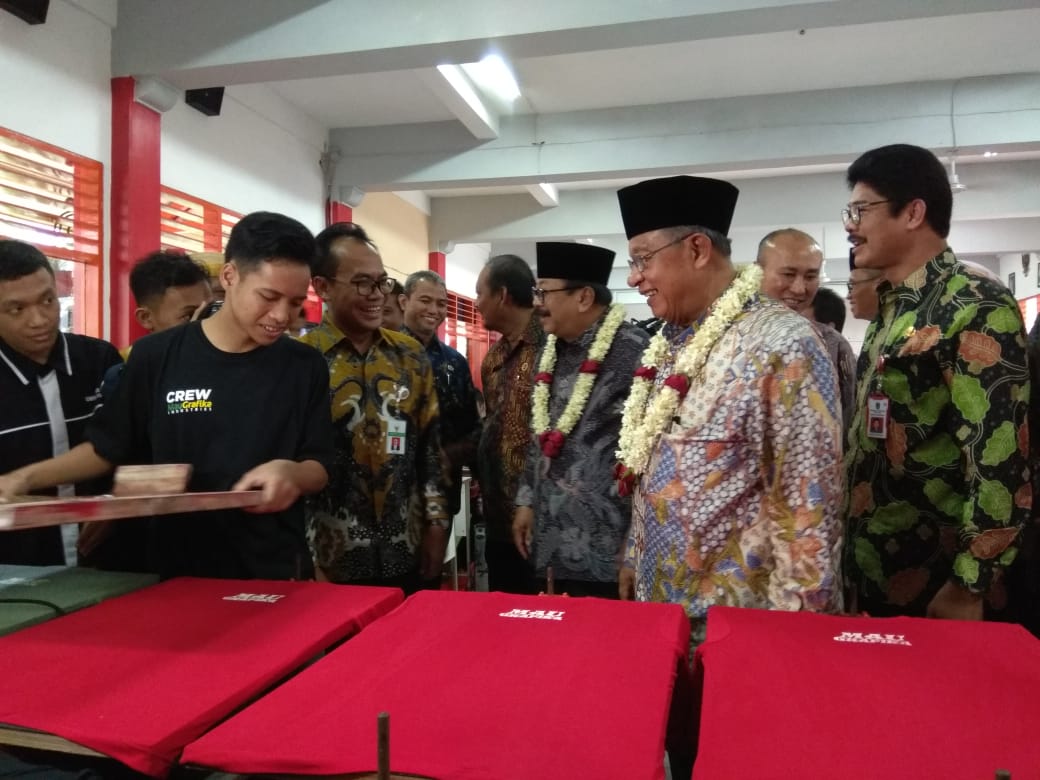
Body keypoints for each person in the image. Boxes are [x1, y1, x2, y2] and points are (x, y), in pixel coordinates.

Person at [0, 212, 334, 580]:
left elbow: (319, 464)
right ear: (229, 276)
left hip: (272, 566)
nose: (281, 315)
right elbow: (107, 447)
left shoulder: (304, 365)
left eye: (295, 302)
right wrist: (23, 479)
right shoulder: (156, 357)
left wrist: (293, 474)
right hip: (174, 569)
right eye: (269, 297)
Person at [614, 175, 843, 637]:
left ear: (697, 250)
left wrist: (794, 643)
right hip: (663, 619)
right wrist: (635, 555)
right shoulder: (668, 342)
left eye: (642, 259)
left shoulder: (782, 345)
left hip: (740, 634)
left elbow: (808, 513)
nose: (633, 277)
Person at [843, 143, 1030, 620]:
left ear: (913, 213)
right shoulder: (893, 307)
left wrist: (970, 584)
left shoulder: (975, 305)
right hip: (876, 567)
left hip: (937, 580)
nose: (851, 225)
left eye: (861, 209)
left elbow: (999, 456)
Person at [302, 222, 449, 591]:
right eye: (362, 283)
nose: (377, 295)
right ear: (322, 287)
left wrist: (436, 525)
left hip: (407, 550)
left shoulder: (409, 355)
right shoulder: (301, 361)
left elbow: (429, 451)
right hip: (330, 559)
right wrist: (303, 556)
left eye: (381, 282)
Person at [512, 242, 649, 596]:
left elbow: (649, 456)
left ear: (584, 297)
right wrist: (526, 500)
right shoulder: (549, 350)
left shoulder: (636, 351)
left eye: (544, 292)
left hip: (607, 550)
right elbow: (537, 433)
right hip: (548, 540)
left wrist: (635, 541)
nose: (537, 302)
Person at [86, 250, 213, 569]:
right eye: (188, 316)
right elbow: (115, 451)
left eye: (210, 310)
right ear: (146, 318)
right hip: (148, 537)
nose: (205, 325)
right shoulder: (125, 375)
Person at [0, 240, 121, 566]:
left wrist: (115, 502)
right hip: (18, 567)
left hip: (105, 560)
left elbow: (124, 444)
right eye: (17, 309)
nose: (39, 320)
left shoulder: (99, 359)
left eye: (48, 300)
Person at [474, 254, 545, 593]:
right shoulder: (493, 359)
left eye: (480, 294)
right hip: (497, 513)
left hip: (539, 517)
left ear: (502, 295)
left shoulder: (551, 345)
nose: (476, 304)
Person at [400, 269, 481, 519]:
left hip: (444, 488)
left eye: (442, 303)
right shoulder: (384, 353)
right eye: (425, 300)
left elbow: (472, 427)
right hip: (395, 493)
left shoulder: (454, 361)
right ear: (404, 302)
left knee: (437, 558)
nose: (434, 310)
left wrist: (449, 456)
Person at [757, 228, 857, 433]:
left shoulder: (832, 343)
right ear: (757, 271)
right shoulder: (731, 336)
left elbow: (848, 419)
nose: (799, 288)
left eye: (811, 276)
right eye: (788, 274)